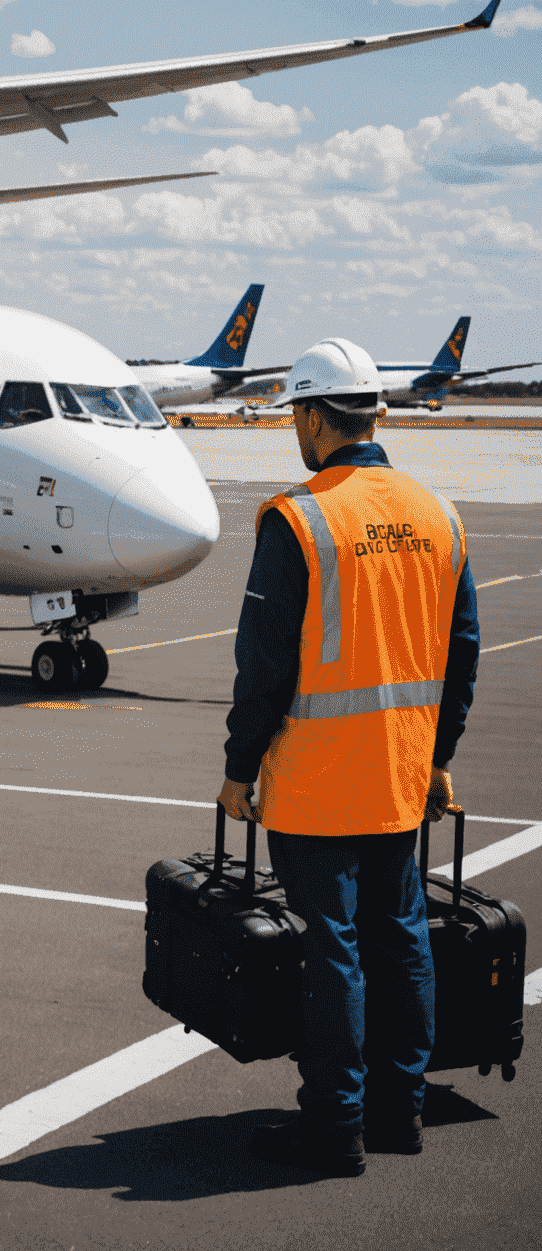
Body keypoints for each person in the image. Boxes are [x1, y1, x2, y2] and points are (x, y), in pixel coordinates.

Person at [217, 337, 479, 1175]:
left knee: (332, 949)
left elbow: (264, 667)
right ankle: (399, 1113)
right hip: (401, 775)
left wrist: (237, 767)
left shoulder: (299, 519)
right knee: (401, 938)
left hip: (319, 779)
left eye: (295, 414)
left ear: (311, 416)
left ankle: (334, 1126)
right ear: (378, 412)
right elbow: (463, 650)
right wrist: (438, 756)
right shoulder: (438, 513)